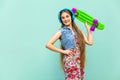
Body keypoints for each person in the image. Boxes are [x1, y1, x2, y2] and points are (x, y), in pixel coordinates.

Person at [46, 8, 93, 80]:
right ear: (61, 20)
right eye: (63, 18)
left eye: (67, 16)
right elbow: (48, 44)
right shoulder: (61, 31)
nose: (65, 19)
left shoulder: (77, 30)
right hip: (70, 61)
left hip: (79, 61)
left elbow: (90, 42)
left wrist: (88, 29)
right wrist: (64, 51)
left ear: (71, 17)